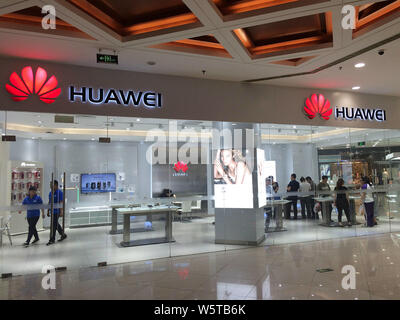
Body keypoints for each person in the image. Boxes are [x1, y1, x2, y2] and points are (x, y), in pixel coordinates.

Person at [47, 180, 67, 246]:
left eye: (52, 185)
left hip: (57, 211)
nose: (50, 186)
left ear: (56, 185)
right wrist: (48, 210)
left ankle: (52, 239)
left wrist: (61, 211)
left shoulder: (59, 193)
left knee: (53, 225)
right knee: (55, 224)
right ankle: (63, 234)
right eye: (50, 185)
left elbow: (61, 202)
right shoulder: (50, 193)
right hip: (52, 211)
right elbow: (49, 202)